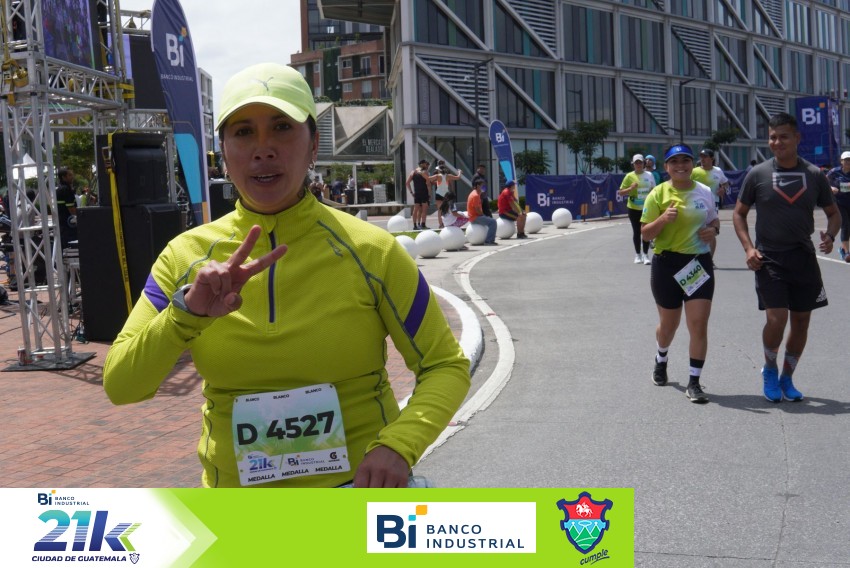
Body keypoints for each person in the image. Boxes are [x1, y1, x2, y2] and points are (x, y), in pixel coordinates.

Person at [103, 62, 471, 488]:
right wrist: (184, 314)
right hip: (236, 509)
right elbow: (121, 386)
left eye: (281, 127)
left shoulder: (373, 250)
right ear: (223, 150)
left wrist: (400, 444)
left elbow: (445, 365)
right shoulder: (183, 256)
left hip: (354, 496)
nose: (263, 149)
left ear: (314, 144)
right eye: (243, 132)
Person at [732, 112, 840, 403]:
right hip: (769, 258)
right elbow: (739, 214)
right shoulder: (758, 174)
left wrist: (830, 236)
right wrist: (749, 248)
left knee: (801, 322)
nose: (777, 142)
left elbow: (834, 214)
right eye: (772, 137)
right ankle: (769, 369)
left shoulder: (814, 175)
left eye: (783, 137)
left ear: (797, 138)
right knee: (777, 318)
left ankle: (787, 377)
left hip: (803, 258)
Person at [640, 144, 719, 404]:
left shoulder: (704, 192)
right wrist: (663, 219)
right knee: (669, 326)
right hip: (667, 264)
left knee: (698, 324)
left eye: (685, 160)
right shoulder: (657, 194)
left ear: (692, 164)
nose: (680, 166)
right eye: (674, 162)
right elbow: (645, 234)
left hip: (697, 263)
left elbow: (714, 220)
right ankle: (661, 358)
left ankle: (694, 382)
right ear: (666, 167)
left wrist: (713, 230)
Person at [691, 148, 729, 259]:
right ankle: (694, 257)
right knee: (696, 231)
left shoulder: (718, 171)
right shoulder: (694, 171)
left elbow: (726, 183)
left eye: (705, 157)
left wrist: (723, 189)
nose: (702, 159)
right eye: (701, 157)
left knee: (711, 231)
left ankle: (709, 260)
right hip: (696, 205)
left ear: (712, 159)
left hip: (713, 205)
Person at [618, 154, 654, 264]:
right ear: (633, 164)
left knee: (646, 231)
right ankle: (638, 255)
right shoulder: (629, 176)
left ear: (644, 164)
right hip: (633, 208)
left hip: (646, 208)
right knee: (637, 232)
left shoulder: (649, 175)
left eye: (640, 162)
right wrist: (631, 188)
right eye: (636, 163)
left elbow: (654, 190)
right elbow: (621, 192)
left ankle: (646, 255)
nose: (638, 165)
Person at [826, 151, 850, 260]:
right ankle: (846, 252)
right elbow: (824, 183)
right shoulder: (834, 172)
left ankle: (842, 248)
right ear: (841, 161)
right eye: (846, 160)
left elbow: (846, 188)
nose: (848, 162)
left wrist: (843, 187)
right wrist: (831, 188)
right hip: (839, 203)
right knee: (845, 225)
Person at [467, 178, 497, 245]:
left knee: (490, 220)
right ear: (478, 186)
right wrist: (484, 216)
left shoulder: (476, 194)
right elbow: (477, 210)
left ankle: (488, 240)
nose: (484, 187)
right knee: (493, 222)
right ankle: (489, 241)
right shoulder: (475, 195)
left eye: (484, 186)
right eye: (482, 186)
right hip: (474, 217)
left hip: (474, 216)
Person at [433, 160, 462, 229]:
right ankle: (443, 224)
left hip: (442, 192)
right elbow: (450, 181)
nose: (442, 165)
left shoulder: (438, 172)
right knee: (444, 209)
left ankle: (443, 224)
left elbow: (450, 181)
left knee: (443, 209)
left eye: (442, 163)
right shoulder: (440, 172)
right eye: (441, 164)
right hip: (443, 192)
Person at [406, 159, 432, 230]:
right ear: (422, 164)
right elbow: (428, 183)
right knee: (424, 209)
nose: (426, 166)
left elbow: (407, 183)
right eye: (426, 164)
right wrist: (430, 194)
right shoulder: (425, 172)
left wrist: (411, 192)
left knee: (416, 209)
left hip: (417, 193)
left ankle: (415, 226)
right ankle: (423, 225)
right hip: (424, 192)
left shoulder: (413, 172)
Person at [55, 167, 77, 248]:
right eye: (69, 175)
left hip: (62, 225)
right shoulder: (66, 189)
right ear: (63, 177)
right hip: (68, 226)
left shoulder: (59, 189)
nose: (72, 177)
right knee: (71, 247)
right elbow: (72, 210)